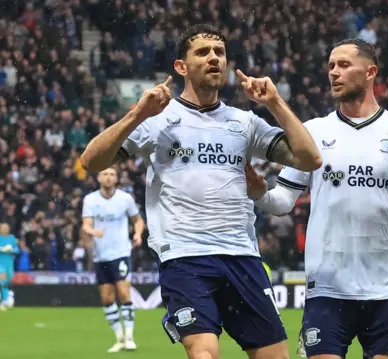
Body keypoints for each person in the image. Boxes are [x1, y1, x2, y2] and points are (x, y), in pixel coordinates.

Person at [80, 24, 321, 359]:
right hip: (185, 256)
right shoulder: (158, 120)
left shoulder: (244, 122)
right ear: (181, 66)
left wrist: (276, 103)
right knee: (204, 353)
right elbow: (90, 161)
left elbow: (310, 159)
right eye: (203, 52)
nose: (214, 58)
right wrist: (137, 114)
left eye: (219, 52)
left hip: (242, 255)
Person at [245, 38, 388, 359]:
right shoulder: (312, 132)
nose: (334, 72)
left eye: (344, 65)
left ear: (370, 72)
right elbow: (283, 202)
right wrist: (257, 189)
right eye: (331, 66)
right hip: (327, 287)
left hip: (387, 285)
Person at [81, 166, 145, 352]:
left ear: (116, 179)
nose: (108, 178)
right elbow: (86, 225)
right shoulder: (90, 200)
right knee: (107, 298)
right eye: (105, 174)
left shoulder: (125, 199)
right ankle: (118, 338)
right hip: (101, 255)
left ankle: (129, 336)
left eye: (112, 174)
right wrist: (93, 231)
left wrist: (138, 235)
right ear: (99, 178)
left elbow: (138, 220)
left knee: (124, 293)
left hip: (121, 252)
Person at [0, 223, 18, 310]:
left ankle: (7, 297)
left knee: (7, 282)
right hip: (0, 263)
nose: (4, 229)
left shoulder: (11, 238)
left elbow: (16, 250)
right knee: (2, 281)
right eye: (3, 228)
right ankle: (4, 301)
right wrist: (1, 249)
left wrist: (11, 249)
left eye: (6, 228)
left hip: (9, 263)